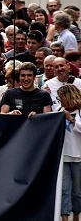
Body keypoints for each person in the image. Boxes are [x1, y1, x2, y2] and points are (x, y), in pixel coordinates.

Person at [59, 84, 81, 221]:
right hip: (63, 156)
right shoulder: (58, 110)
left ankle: (76, 216)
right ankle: (65, 217)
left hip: (79, 156)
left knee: (77, 192)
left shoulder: (79, 112)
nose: (60, 101)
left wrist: (71, 119)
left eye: (61, 98)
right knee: (64, 190)